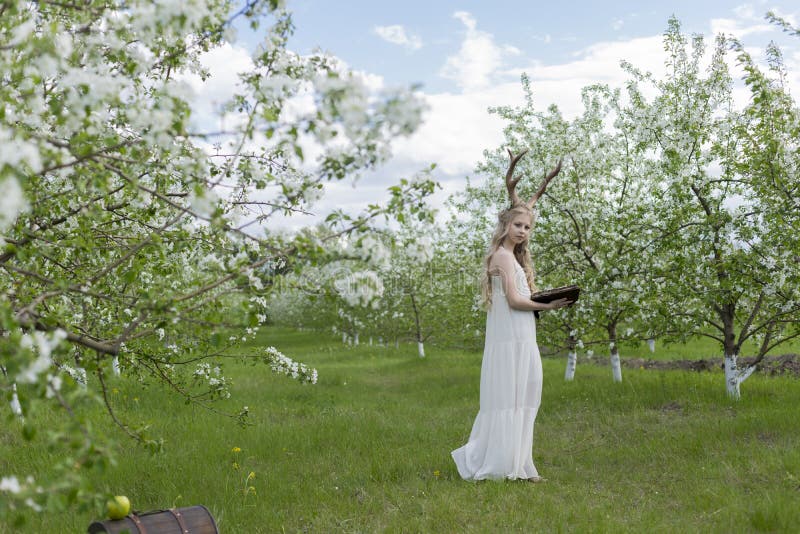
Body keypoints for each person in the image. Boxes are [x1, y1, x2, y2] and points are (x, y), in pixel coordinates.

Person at [451, 152, 570, 482]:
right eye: (518, 225)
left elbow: (520, 298)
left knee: (524, 398)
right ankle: (503, 464)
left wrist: (543, 299)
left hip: (521, 336)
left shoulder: (513, 258)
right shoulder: (502, 257)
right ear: (505, 226)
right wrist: (547, 306)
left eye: (528, 227)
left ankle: (521, 464)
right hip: (512, 339)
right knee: (511, 399)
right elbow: (516, 301)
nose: (523, 231)